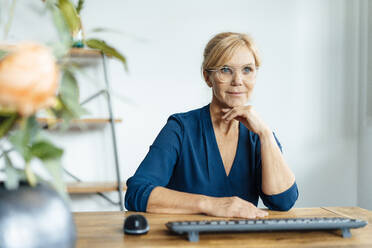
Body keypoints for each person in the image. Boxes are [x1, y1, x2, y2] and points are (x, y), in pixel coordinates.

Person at [125, 32, 298, 218]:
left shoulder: (258, 135)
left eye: (247, 70)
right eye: (225, 69)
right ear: (208, 77)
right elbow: (137, 192)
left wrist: (265, 133)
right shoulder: (180, 128)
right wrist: (210, 204)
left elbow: (283, 201)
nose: (238, 81)